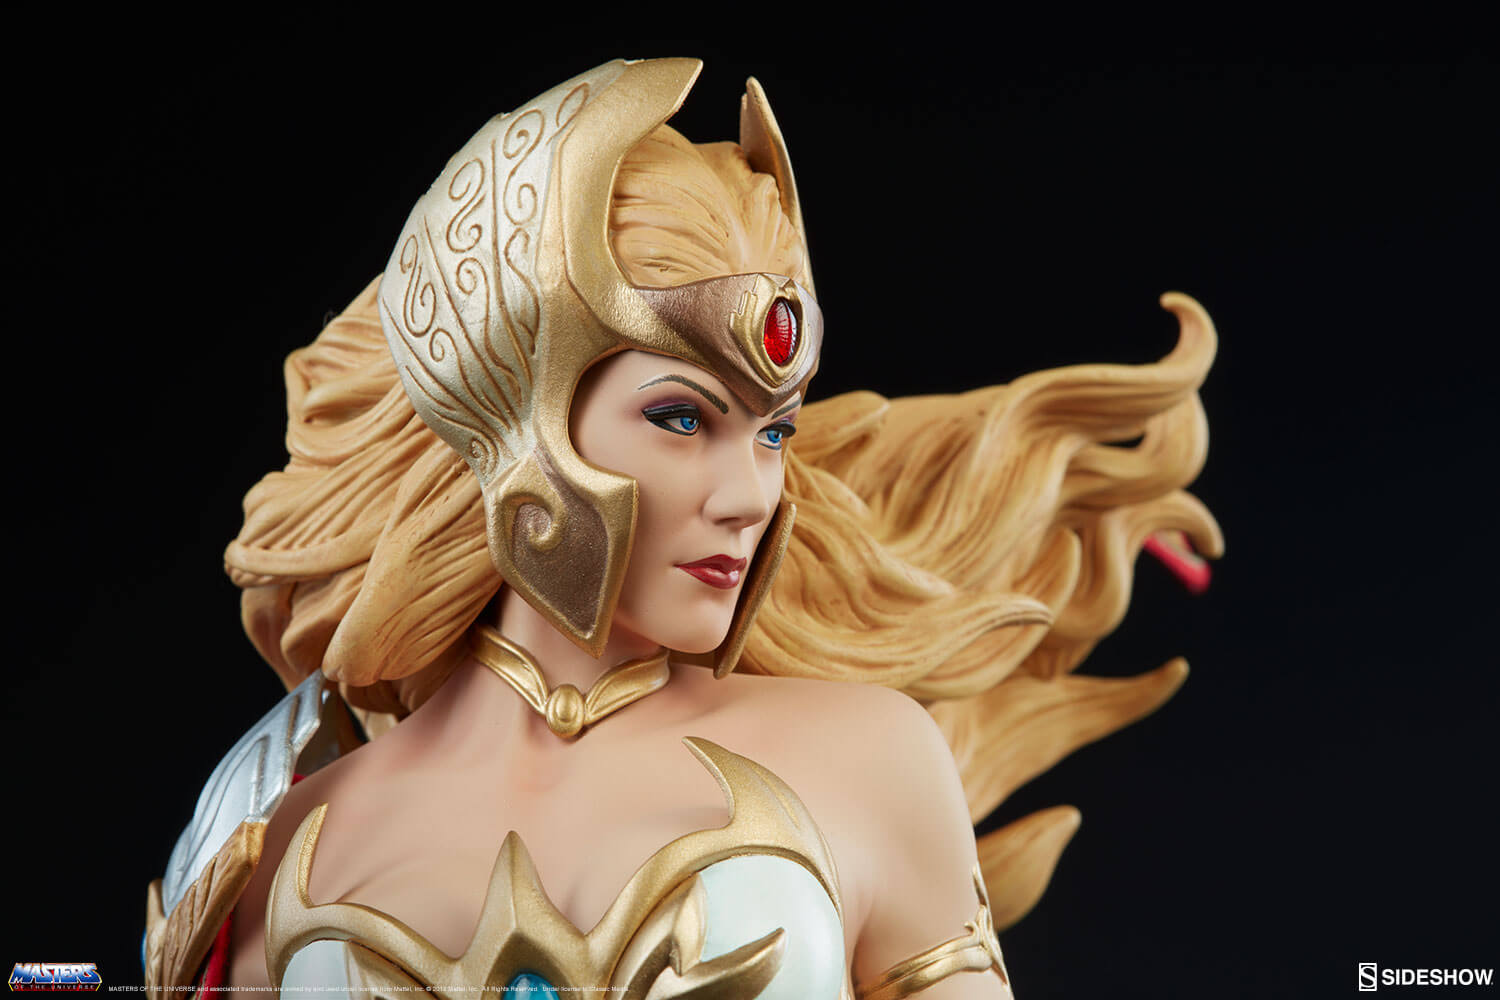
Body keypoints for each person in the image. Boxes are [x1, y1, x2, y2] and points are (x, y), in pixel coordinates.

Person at [145, 57, 1219, 999]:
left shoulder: (873, 761)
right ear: (510, 418)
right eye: (681, 418)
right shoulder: (282, 837)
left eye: (772, 432)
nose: (751, 494)